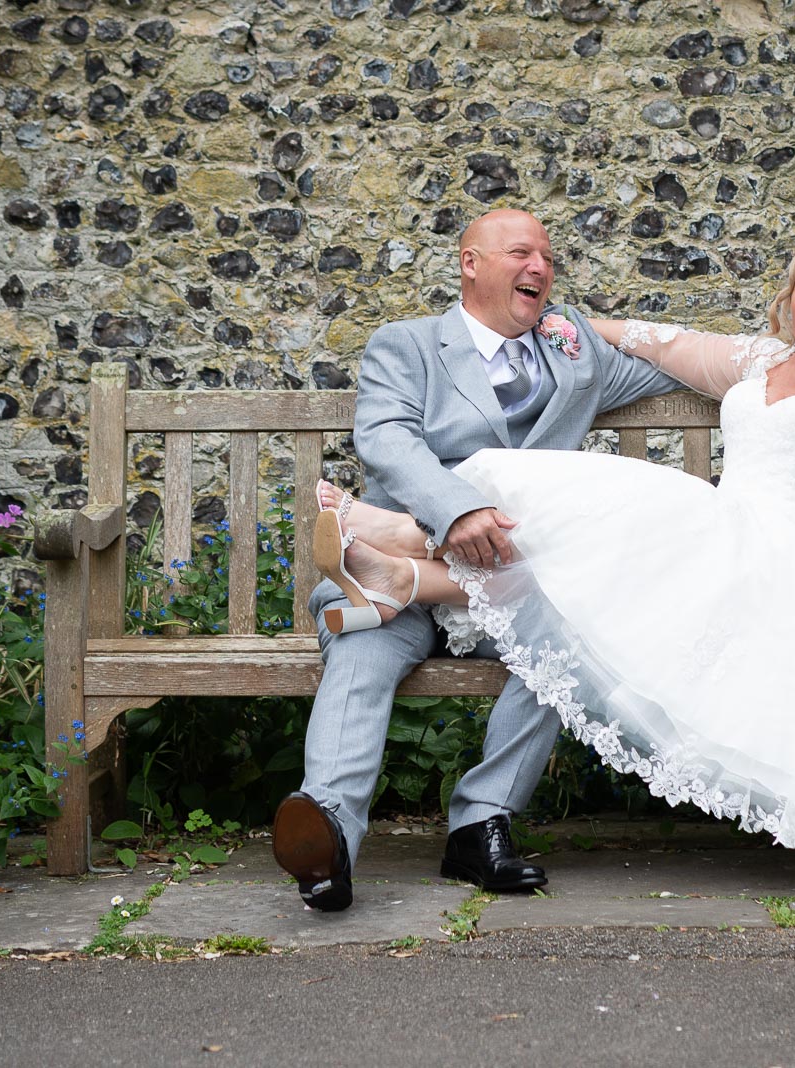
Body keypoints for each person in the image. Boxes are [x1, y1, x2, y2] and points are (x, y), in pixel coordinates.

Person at [310, 234, 795, 879]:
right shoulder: (758, 360)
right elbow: (657, 342)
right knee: (613, 538)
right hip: (728, 540)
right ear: (789, 297)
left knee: (612, 544)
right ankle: (403, 571)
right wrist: (565, 324)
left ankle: (401, 546)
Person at [272, 209, 682, 911]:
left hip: (512, 584)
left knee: (573, 631)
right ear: (470, 263)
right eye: (522, 252)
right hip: (405, 576)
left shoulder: (573, 354)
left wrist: (784, 361)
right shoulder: (406, 346)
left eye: (548, 258)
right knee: (361, 645)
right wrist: (456, 508)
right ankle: (329, 841)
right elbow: (388, 441)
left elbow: (669, 362)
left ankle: (480, 826)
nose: (540, 268)